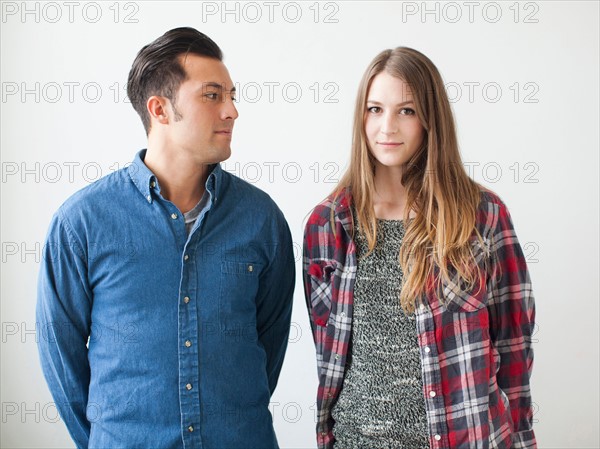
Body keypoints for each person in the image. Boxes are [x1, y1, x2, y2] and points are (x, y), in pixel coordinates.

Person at [36, 27, 295, 448]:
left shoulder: (261, 219)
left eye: (232, 95)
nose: (232, 111)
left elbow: (269, 344)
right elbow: (60, 356)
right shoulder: (81, 222)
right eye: (212, 95)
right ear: (159, 109)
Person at [303, 47, 536, 449]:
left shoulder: (483, 216)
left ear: (431, 119)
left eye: (406, 111)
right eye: (375, 109)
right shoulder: (327, 224)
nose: (387, 127)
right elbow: (328, 354)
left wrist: (524, 438)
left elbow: (515, 346)